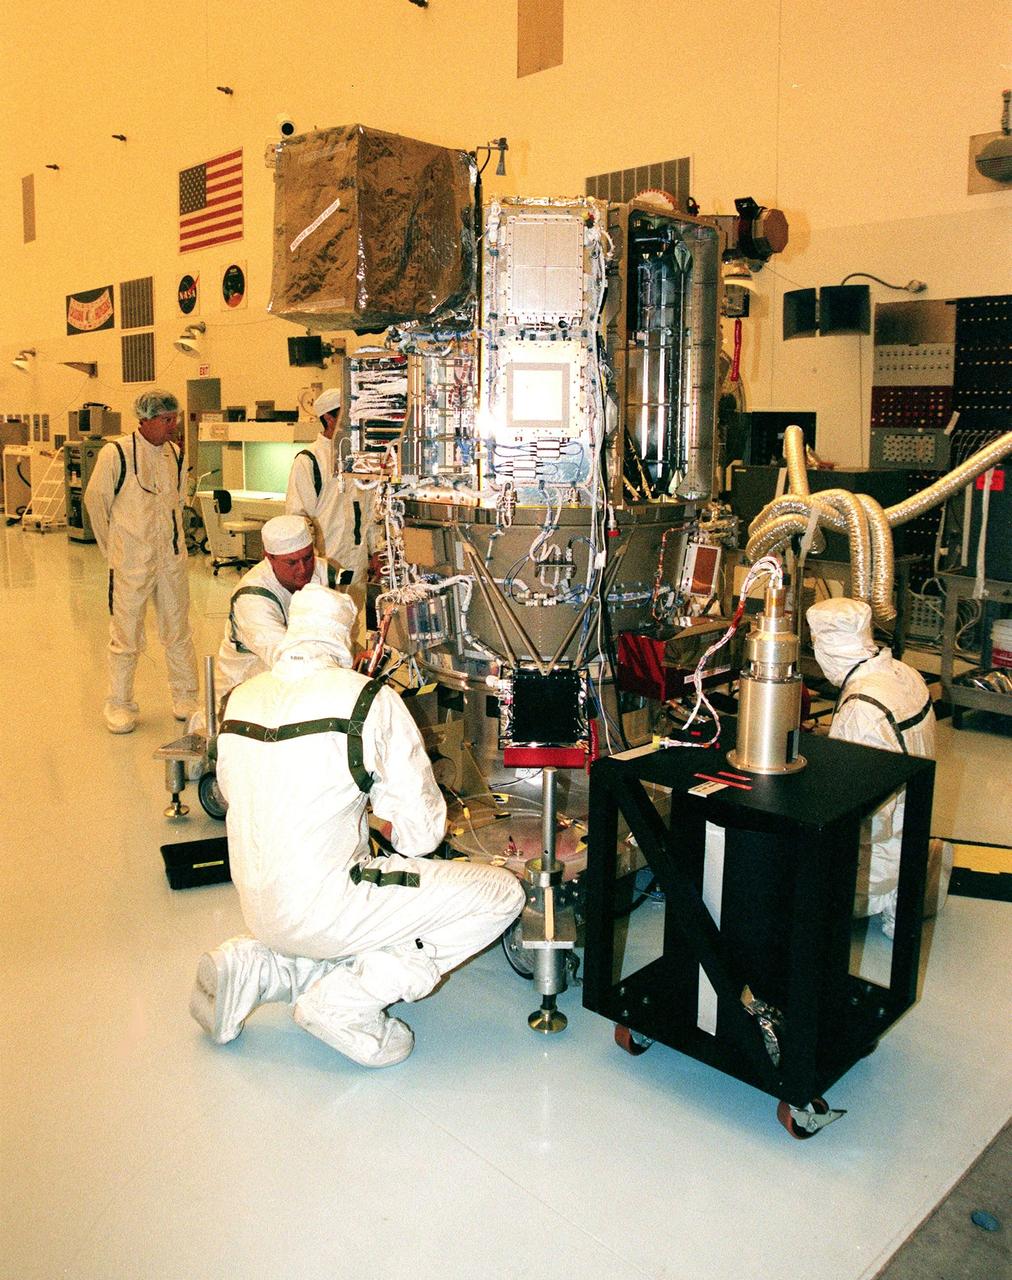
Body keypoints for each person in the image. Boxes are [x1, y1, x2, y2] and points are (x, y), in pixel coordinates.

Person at [190, 584, 525, 1067]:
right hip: (325, 908)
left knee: (344, 899)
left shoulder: (238, 698)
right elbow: (420, 836)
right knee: (499, 896)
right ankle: (342, 1004)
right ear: (344, 640)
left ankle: (263, 968)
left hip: (258, 904)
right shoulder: (369, 699)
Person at [806, 596, 952, 937]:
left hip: (875, 857)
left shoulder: (861, 706)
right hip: (911, 824)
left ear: (827, 649)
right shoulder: (903, 672)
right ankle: (920, 869)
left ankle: (887, 897)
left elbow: (856, 811)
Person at [84, 390, 198, 734]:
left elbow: (176, 502)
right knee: (126, 635)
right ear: (145, 420)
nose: (174, 426)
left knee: (178, 629)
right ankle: (119, 703)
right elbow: (96, 503)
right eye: (166, 420)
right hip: (131, 562)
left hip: (170, 559)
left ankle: (186, 696)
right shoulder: (115, 453)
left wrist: (174, 547)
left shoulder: (174, 454)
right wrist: (116, 552)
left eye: (175, 418)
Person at [212, 513, 342, 706]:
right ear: (269, 558)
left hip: (306, 670)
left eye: (307, 558)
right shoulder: (252, 597)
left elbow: (339, 629)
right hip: (246, 683)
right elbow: (286, 657)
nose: (303, 569)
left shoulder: (324, 571)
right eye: (291, 562)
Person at [285, 387, 382, 638]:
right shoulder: (309, 461)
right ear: (329, 418)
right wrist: (309, 568)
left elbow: (371, 510)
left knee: (351, 627)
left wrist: (376, 551)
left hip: (356, 561)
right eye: (348, 415)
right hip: (324, 565)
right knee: (325, 630)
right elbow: (297, 519)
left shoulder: (361, 457)